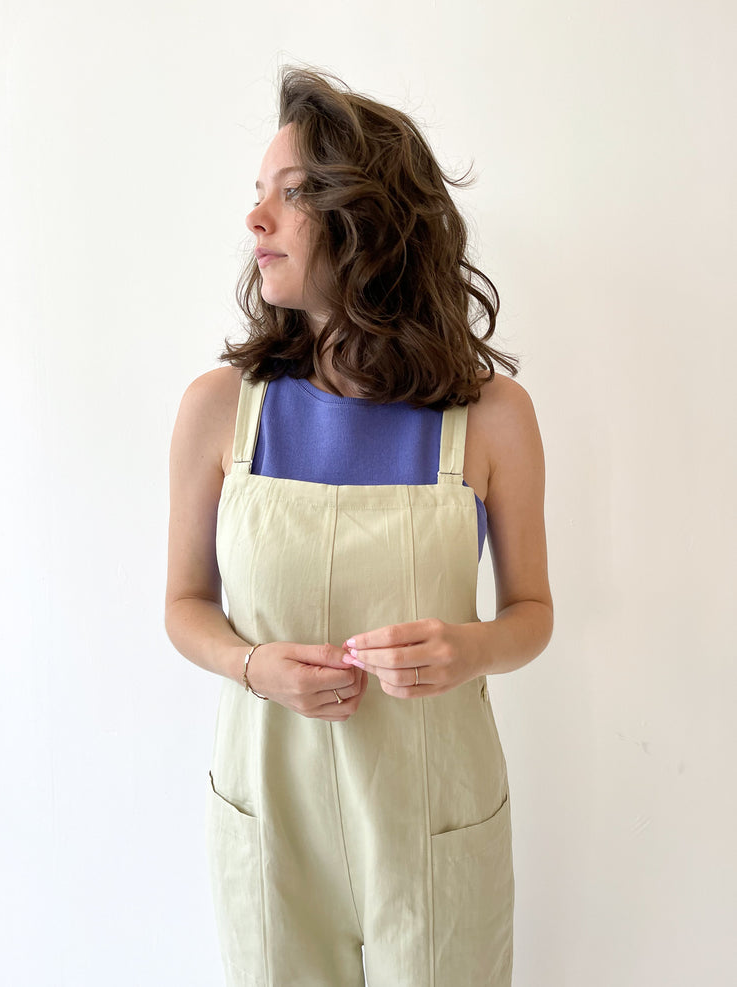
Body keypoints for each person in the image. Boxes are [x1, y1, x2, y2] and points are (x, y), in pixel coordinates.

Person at [165, 67, 553, 987]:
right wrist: (252, 665)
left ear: (368, 217)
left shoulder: (492, 418)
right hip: (271, 812)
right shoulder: (220, 411)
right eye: (257, 193)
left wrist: (469, 647)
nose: (256, 218)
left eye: (292, 193)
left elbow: (532, 613)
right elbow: (183, 604)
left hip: (435, 818)